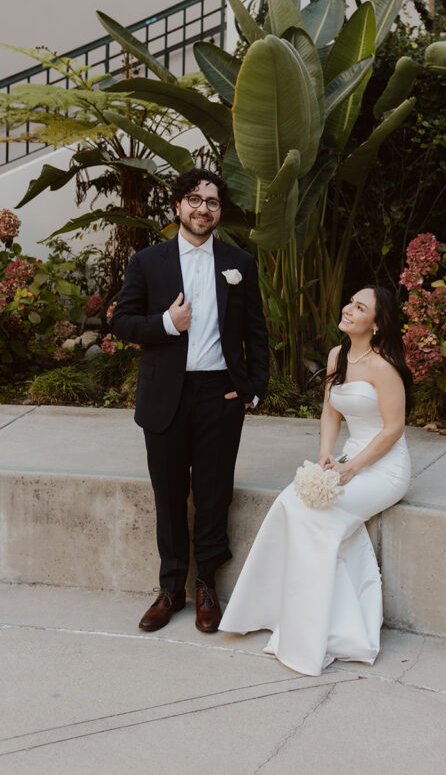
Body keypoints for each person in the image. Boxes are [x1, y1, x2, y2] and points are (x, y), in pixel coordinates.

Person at [219, 285, 412, 675]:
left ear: (376, 325)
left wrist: (351, 468)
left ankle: (324, 629)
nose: (349, 310)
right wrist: (326, 455)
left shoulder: (383, 365)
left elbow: (393, 429)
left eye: (361, 308)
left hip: (384, 466)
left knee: (318, 516)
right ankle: (272, 612)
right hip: (346, 458)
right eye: (351, 302)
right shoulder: (337, 355)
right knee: (290, 502)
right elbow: (330, 413)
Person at [110, 168, 269, 634]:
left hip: (220, 394)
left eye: (213, 202)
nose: (204, 209)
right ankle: (171, 588)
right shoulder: (148, 262)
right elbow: (122, 323)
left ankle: (207, 589)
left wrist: (253, 388)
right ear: (179, 205)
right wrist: (165, 324)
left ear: (220, 211)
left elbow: (257, 331)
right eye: (195, 200)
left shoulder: (240, 260)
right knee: (169, 496)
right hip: (166, 397)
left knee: (215, 496)